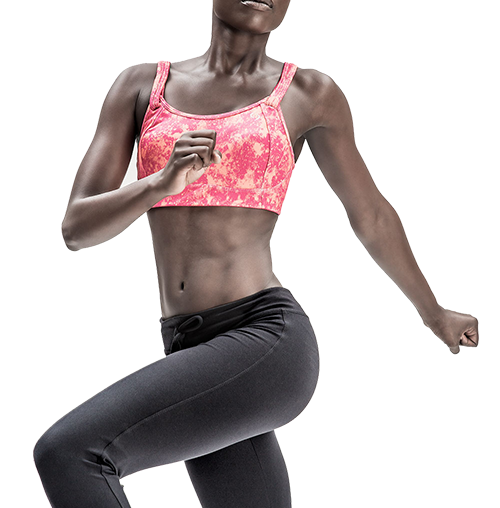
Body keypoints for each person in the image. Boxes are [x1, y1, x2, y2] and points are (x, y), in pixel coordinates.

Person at [33, 0, 479, 506]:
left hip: (264, 338)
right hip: (189, 345)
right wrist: (158, 183)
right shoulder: (140, 86)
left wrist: (434, 313)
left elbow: (371, 215)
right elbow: (76, 229)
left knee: (71, 453)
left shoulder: (310, 93)